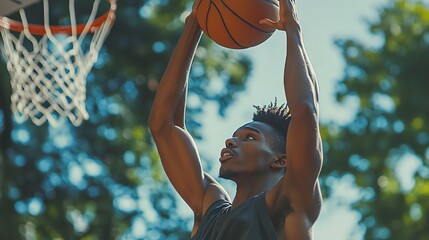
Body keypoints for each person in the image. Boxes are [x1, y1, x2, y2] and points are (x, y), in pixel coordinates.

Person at [148, 0, 322, 239]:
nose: (230, 141)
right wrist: (195, 23)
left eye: (250, 137)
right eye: (234, 136)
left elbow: (305, 111)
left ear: (280, 160)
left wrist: (292, 28)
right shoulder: (210, 208)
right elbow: (164, 125)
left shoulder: (290, 201)